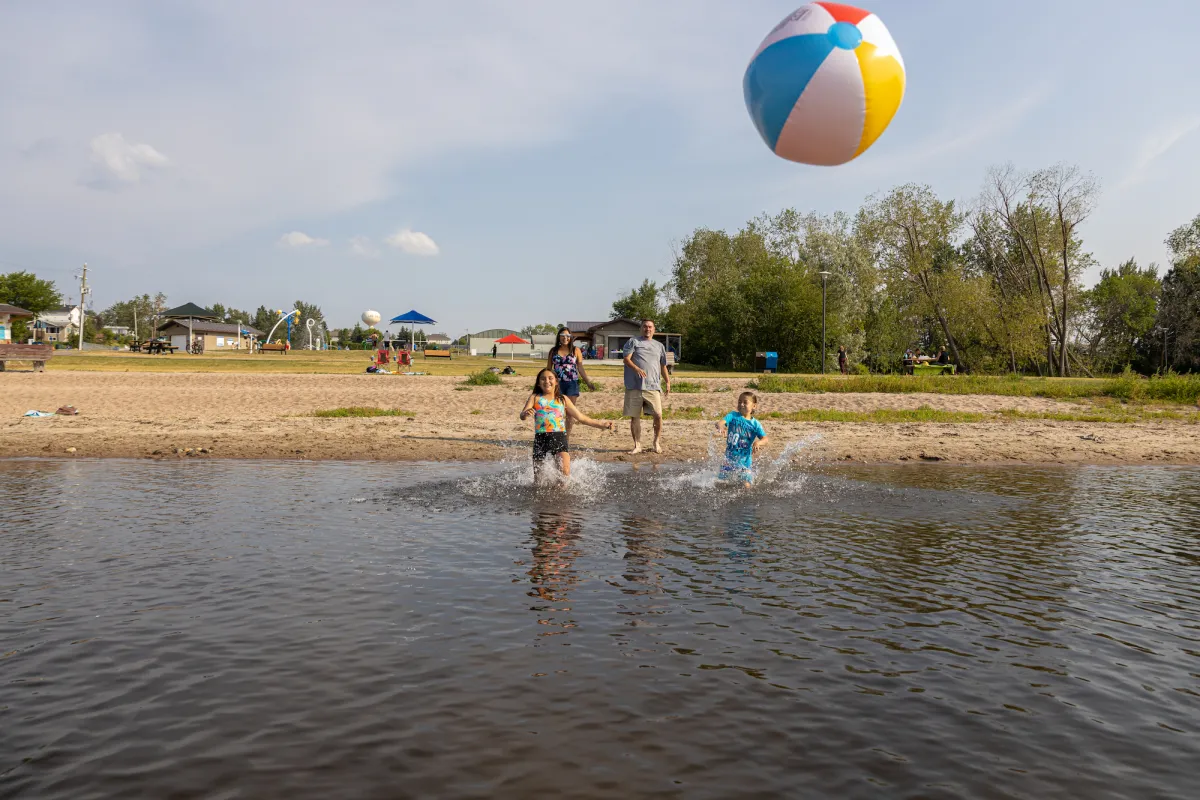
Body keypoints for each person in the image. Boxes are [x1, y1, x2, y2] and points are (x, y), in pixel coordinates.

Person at [519, 369, 613, 478]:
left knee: (565, 471)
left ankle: (562, 493)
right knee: (538, 478)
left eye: (550, 378)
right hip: (540, 439)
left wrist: (601, 424)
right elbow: (522, 416)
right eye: (543, 379)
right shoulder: (535, 397)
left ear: (556, 381)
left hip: (559, 437)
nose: (547, 381)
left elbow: (581, 417)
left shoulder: (563, 399)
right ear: (539, 383)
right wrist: (525, 414)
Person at [621, 319, 670, 454]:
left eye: (650, 327)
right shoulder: (633, 341)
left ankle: (656, 442)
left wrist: (667, 382)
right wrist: (636, 368)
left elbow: (663, 366)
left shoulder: (659, 346)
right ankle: (637, 445)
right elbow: (626, 359)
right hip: (634, 386)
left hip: (653, 386)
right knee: (634, 416)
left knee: (658, 414)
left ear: (654, 329)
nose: (647, 329)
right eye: (645, 326)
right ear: (641, 328)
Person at [546, 326, 598, 438]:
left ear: (571, 337)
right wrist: (546, 384)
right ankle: (555, 436)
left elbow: (580, 368)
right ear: (559, 337)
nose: (565, 338)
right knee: (556, 411)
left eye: (568, 336)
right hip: (557, 385)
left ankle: (566, 439)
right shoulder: (553, 351)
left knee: (570, 413)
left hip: (571, 384)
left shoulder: (576, 350)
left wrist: (588, 382)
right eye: (563, 336)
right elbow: (548, 369)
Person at [715, 391, 769, 487]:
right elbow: (720, 423)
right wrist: (721, 427)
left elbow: (765, 439)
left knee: (746, 485)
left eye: (745, 402)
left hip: (745, 460)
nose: (741, 404)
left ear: (754, 406)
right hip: (729, 458)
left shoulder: (755, 424)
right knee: (721, 484)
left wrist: (758, 443)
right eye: (739, 402)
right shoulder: (733, 415)